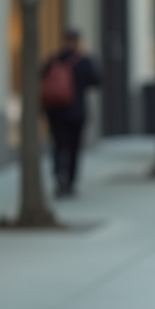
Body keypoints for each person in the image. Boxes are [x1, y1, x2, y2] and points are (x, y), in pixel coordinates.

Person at [40, 28, 102, 198]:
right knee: (74, 148)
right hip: (76, 112)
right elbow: (97, 81)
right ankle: (71, 182)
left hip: (55, 112)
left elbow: (42, 81)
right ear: (77, 41)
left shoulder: (54, 60)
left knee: (58, 146)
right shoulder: (84, 60)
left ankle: (59, 175)